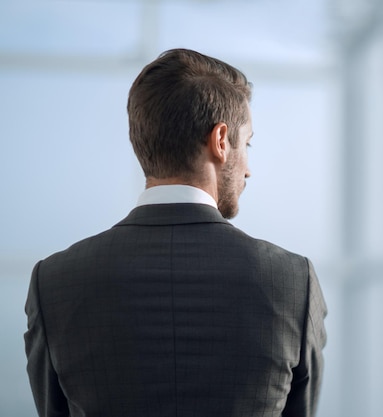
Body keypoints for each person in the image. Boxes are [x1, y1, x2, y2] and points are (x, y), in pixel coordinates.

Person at [24, 48, 327, 417]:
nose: (248, 170)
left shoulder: (54, 282)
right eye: (246, 144)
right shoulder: (293, 281)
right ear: (220, 141)